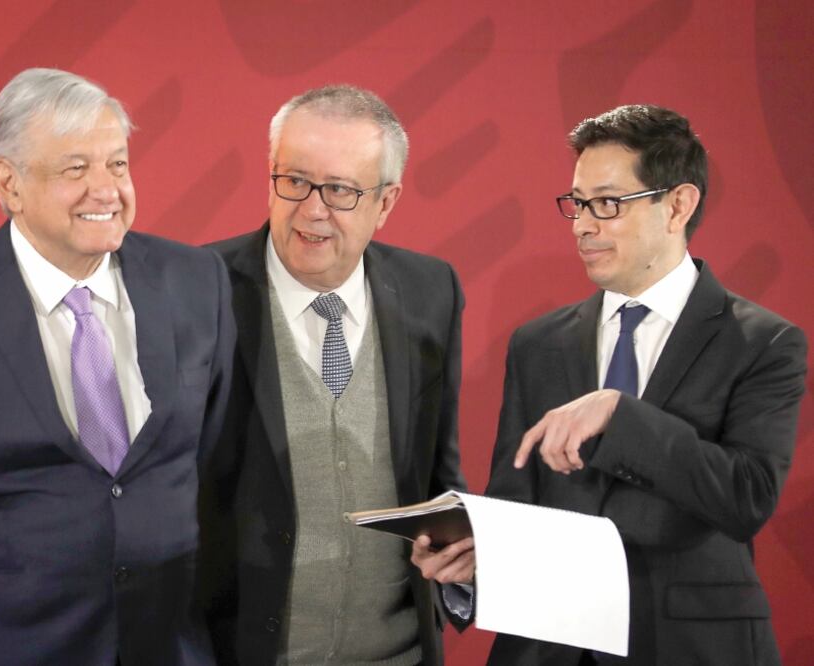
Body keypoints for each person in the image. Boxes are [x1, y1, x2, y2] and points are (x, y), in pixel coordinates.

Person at [0, 68, 234, 665]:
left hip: (165, 642)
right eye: (75, 169)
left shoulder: (198, 281)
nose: (106, 190)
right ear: (9, 183)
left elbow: (209, 452)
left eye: (118, 164)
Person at [480, 105, 807, 665]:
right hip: (551, 648)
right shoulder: (537, 343)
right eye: (578, 204)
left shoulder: (763, 343)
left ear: (677, 205)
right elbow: (517, 501)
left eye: (607, 204)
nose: (583, 224)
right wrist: (478, 557)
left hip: (691, 647)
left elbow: (747, 496)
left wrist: (620, 415)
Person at [199, 84, 473, 665]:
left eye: (341, 190)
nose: (312, 209)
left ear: (387, 201)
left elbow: (439, 472)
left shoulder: (431, 291)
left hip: (398, 654)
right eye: (294, 181)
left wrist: (461, 562)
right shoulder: (198, 290)